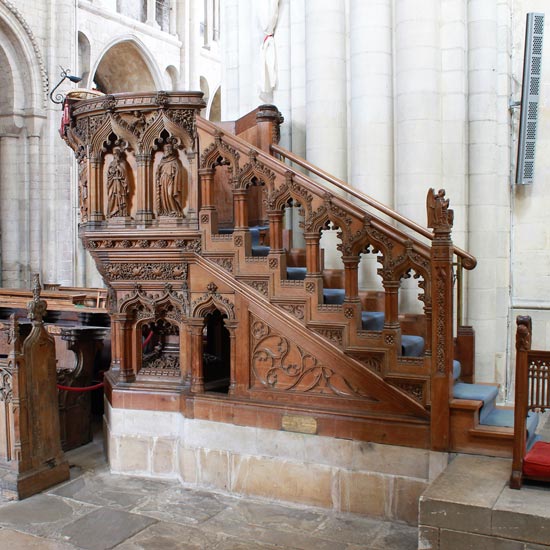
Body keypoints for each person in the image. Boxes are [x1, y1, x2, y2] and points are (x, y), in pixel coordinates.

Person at [156, 142, 187, 217]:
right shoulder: (162, 161)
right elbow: (158, 171)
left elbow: (178, 172)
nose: (166, 151)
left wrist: (175, 171)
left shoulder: (174, 161)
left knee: (170, 194)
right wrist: (158, 172)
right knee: (163, 196)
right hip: (162, 181)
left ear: (170, 150)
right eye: (165, 149)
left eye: (167, 149)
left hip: (170, 180)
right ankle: (166, 211)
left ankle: (175, 210)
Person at [107, 149, 129, 217]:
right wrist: (112, 171)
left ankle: (122, 212)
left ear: (119, 154)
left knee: (121, 197)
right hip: (113, 183)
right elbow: (108, 173)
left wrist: (119, 167)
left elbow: (124, 173)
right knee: (112, 196)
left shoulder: (123, 162)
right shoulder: (111, 163)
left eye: (116, 154)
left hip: (120, 183)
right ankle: (113, 212)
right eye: (114, 154)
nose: (115, 155)